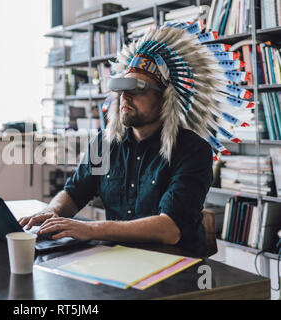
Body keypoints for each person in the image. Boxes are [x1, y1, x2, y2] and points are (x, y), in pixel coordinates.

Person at [19, 24, 252, 257]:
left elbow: (169, 229)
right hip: (119, 259)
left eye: (137, 89)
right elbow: (74, 191)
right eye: (121, 89)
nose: (125, 97)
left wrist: (90, 229)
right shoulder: (105, 144)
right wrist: (54, 211)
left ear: (165, 100)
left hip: (176, 266)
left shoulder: (193, 151)